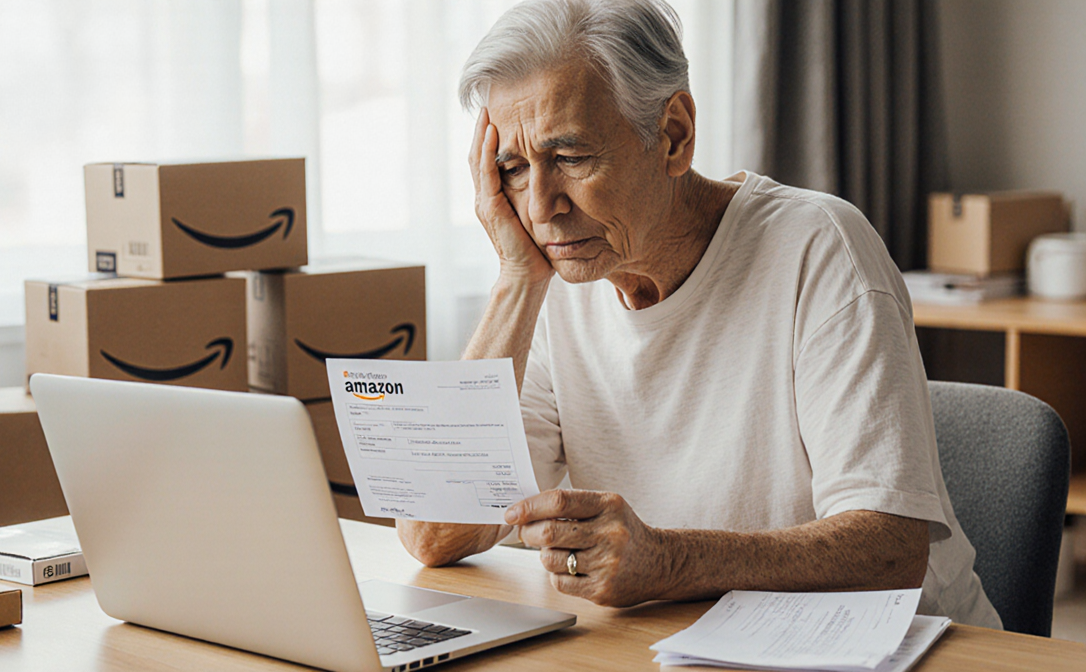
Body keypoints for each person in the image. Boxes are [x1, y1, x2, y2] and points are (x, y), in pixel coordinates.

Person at [397, 0, 1001, 628]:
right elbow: (433, 532)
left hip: (909, 648)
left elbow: (890, 551)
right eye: (513, 170)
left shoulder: (821, 248)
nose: (542, 207)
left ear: (674, 135)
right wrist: (518, 279)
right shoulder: (557, 281)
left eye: (571, 158)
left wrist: (669, 561)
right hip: (699, 645)